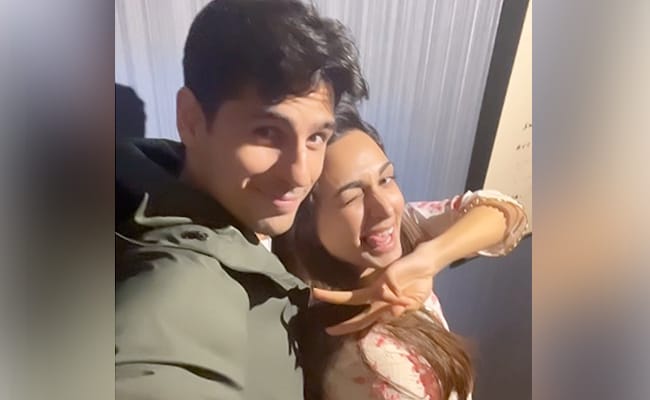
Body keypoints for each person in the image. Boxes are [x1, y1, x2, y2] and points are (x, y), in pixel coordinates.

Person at [115, 1, 368, 399]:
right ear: (191, 119)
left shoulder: (227, 196)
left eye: (317, 137)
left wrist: (423, 259)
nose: (301, 174)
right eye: (267, 132)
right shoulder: (181, 282)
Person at [274, 98, 527, 399]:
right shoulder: (379, 361)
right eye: (352, 197)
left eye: (386, 179)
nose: (385, 209)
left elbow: (505, 212)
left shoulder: (401, 231)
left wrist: (430, 257)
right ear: (306, 224)